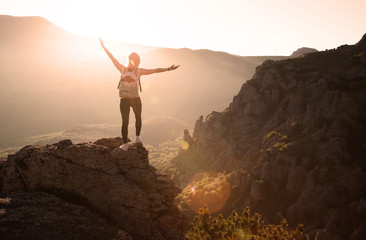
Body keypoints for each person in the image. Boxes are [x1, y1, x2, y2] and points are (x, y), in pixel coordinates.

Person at [98, 37, 180, 150]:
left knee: (125, 121)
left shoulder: (122, 68)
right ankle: (137, 138)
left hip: (124, 99)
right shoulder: (139, 71)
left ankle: (125, 145)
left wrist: (103, 46)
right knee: (138, 117)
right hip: (135, 98)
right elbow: (155, 70)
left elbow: (112, 57)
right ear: (138, 61)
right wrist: (168, 69)